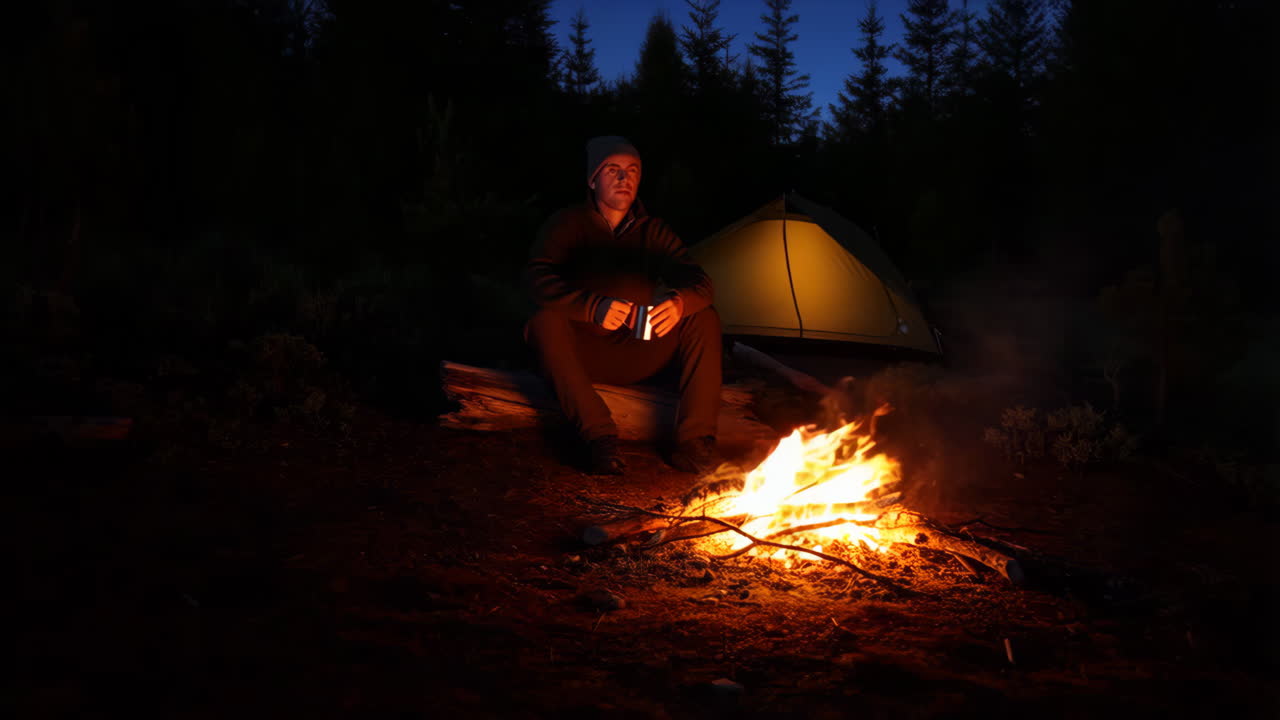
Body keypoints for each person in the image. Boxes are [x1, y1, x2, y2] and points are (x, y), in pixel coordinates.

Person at [523, 136, 721, 476]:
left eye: (632, 171)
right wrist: (591, 307)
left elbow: (700, 282)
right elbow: (536, 279)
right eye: (612, 170)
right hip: (582, 353)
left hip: (637, 351)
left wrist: (678, 303)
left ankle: (694, 441)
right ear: (592, 179)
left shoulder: (654, 231)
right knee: (543, 322)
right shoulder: (567, 224)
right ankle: (598, 438)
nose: (623, 178)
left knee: (702, 316)